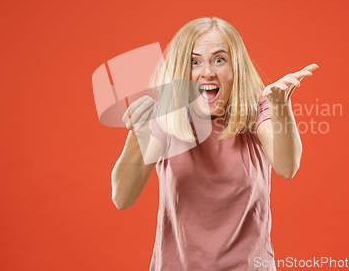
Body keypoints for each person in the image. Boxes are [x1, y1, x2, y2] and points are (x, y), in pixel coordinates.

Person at [111, 17, 318, 271]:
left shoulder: (255, 110)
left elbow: (287, 167)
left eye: (219, 60)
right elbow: (122, 198)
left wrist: (281, 107)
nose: (207, 72)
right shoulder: (166, 117)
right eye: (194, 61)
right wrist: (137, 136)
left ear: (236, 67)